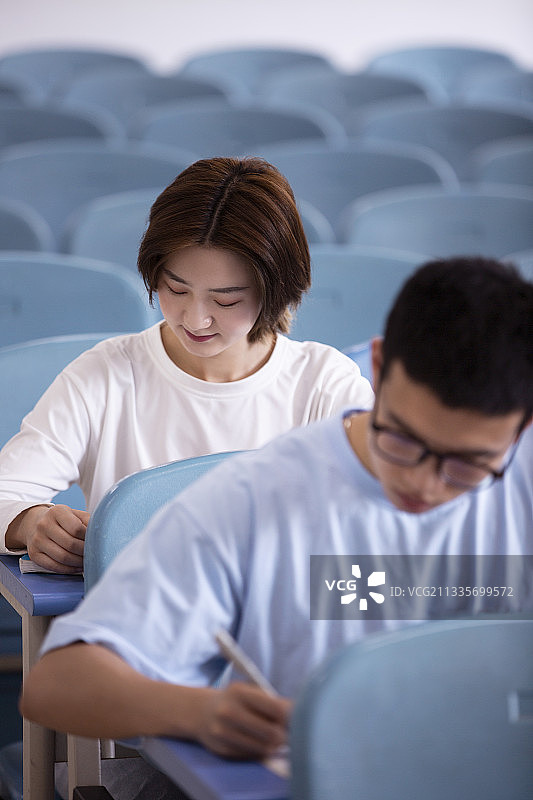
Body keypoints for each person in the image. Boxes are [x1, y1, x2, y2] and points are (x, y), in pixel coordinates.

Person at [21, 256, 533, 789]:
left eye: (468, 466)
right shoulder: (253, 499)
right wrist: (197, 711)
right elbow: (59, 684)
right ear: (378, 369)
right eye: (402, 441)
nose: (427, 485)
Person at [0, 156, 373, 573]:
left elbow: (378, 539)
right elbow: (5, 492)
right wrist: (29, 522)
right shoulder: (104, 375)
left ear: (278, 289)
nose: (195, 320)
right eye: (175, 289)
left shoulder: (327, 386)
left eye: (226, 300)